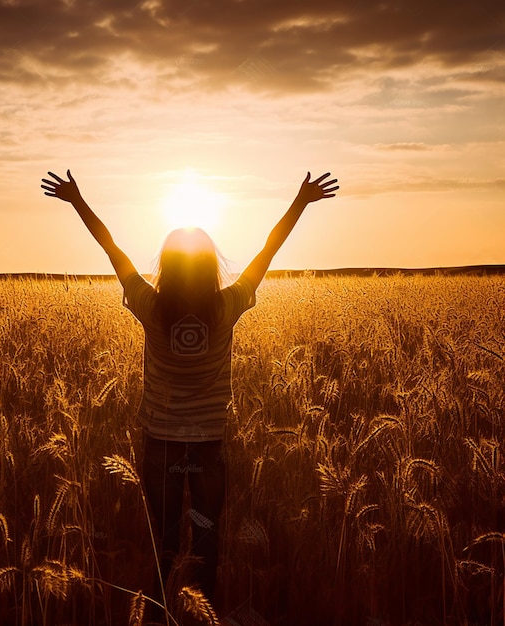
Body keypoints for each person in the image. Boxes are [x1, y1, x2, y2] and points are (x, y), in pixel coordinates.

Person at [41, 168, 338, 615]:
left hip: (160, 442)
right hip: (207, 446)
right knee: (205, 535)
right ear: (208, 266)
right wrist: (300, 201)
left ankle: (161, 611)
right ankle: (205, 614)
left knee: (163, 536)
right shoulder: (226, 307)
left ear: (167, 266)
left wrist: (77, 200)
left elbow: (112, 249)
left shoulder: (150, 306)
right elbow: (267, 251)